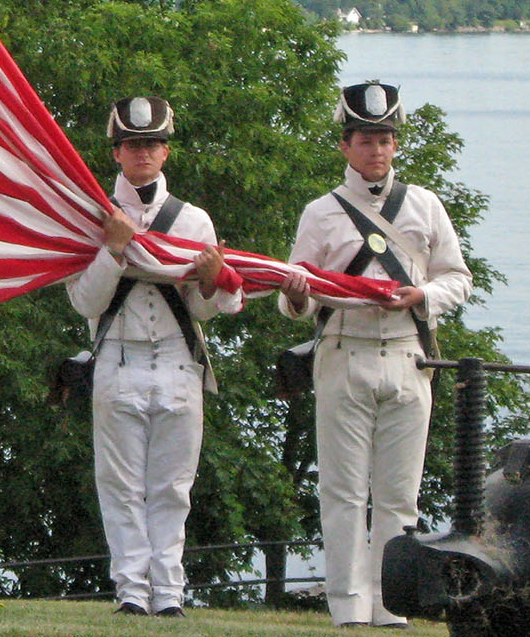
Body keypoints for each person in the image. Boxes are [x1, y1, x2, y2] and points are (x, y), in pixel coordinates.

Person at [279, 81, 472, 629]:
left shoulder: (424, 204)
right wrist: (294, 297)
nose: (376, 150)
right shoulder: (321, 212)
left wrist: (424, 296)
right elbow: (298, 294)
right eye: (365, 139)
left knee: (397, 494)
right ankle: (346, 606)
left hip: (410, 355)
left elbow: (457, 278)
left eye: (385, 138)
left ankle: (391, 605)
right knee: (340, 490)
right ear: (345, 145)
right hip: (344, 349)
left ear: (395, 142)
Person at [65, 96, 241, 618]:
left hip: (176, 360)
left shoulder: (193, 221)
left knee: (172, 487)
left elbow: (207, 310)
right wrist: (115, 250)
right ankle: (131, 592)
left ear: (165, 152)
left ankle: (168, 592)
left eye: (152, 144)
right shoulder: (92, 216)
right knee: (119, 486)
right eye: (132, 144)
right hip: (116, 358)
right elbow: (85, 302)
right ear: (116, 152)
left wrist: (210, 281)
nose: (143, 152)